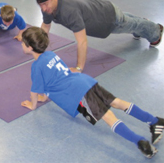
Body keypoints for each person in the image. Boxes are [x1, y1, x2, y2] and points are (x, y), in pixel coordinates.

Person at [21, 26, 163, 159]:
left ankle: (140, 142)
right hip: (85, 82)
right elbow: (50, 82)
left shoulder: (36, 66)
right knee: (116, 102)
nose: (21, 44)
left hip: (78, 95)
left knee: (109, 118)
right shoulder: (50, 54)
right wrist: (44, 97)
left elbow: (35, 90)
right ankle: (155, 121)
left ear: (30, 47)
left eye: (23, 42)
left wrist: (33, 105)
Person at [35, 0, 163, 73]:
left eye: (45, 4)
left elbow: (82, 42)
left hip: (108, 17)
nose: (44, 8)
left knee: (130, 25)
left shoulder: (69, 11)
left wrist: (79, 68)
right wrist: (39, 49)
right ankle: (142, 24)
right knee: (128, 21)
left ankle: (156, 30)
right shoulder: (48, 8)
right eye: (40, 5)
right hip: (99, 8)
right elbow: (45, 26)